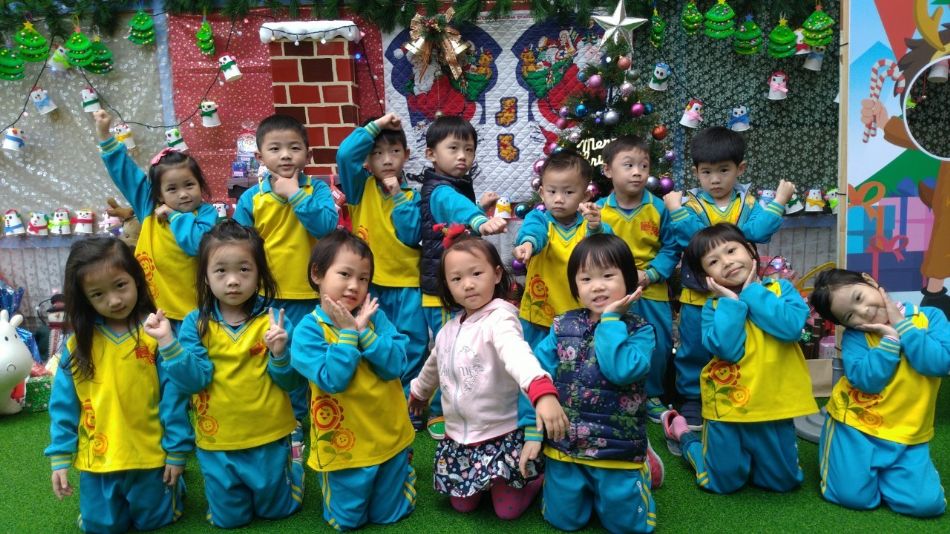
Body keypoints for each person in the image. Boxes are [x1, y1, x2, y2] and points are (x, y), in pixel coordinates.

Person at [143, 220, 304, 528]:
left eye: (244, 269)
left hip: (270, 435)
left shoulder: (274, 320)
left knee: (278, 510)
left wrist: (280, 353)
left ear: (259, 273)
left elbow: (292, 383)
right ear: (205, 276)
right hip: (217, 441)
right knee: (228, 520)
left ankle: (293, 464)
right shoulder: (195, 324)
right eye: (221, 271)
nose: (233, 281)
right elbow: (194, 381)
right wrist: (167, 342)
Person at [409, 235, 568, 519]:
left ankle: (535, 478)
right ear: (447, 285)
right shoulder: (448, 329)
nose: (468, 284)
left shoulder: (501, 319)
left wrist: (541, 390)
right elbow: (434, 364)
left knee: (507, 511)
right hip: (459, 437)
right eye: (456, 279)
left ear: (496, 274)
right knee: (462, 505)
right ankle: (485, 481)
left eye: (476, 273)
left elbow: (517, 354)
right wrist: (419, 393)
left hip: (500, 433)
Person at [46, 237, 192, 533]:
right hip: (98, 460)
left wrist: (176, 450)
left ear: (136, 279)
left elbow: (173, 398)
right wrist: (60, 457)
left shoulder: (156, 336)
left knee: (155, 522)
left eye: (120, 285)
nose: (113, 300)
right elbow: (63, 406)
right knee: (100, 527)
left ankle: (176, 489)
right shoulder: (77, 346)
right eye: (98, 294)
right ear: (84, 298)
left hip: (149, 455)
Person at [662, 223, 817, 494]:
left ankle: (755, 459)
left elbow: (791, 328)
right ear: (706, 277)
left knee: (784, 483)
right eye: (713, 261)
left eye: (731, 251)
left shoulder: (781, 289)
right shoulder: (713, 307)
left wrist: (751, 292)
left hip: (774, 407)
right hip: (728, 409)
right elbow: (727, 350)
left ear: (750, 251)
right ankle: (685, 436)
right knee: (720, 483)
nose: (726, 262)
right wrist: (732, 303)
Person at [663, 126, 795, 429]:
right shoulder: (689, 203)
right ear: (696, 172)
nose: (715, 179)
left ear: (740, 169)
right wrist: (676, 211)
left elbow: (758, 231)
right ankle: (693, 399)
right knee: (694, 349)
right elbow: (692, 239)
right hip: (698, 296)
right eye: (707, 172)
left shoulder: (747, 203)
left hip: (741, 296)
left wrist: (778, 202)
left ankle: (739, 393)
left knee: (740, 345)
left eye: (724, 170)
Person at [533, 233, 661, 533]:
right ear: (575, 287)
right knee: (563, 521)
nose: (598, 286)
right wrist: (531, 431)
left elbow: (621, 371)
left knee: (628, 527)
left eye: (608, 275)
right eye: (586, 279)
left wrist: (611, 321)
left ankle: (645, 466)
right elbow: (535, 376)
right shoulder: (561, 325)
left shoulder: (640, 330)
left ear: (629, 279)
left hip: (617, 449)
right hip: (565, 447)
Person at [291, 230, 416, 530]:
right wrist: (348, 334)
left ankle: (404, 472)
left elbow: (396, 366)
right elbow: (334, 380)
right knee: (345, 522)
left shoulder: (375, 317)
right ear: (317, 274)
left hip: (388, 434)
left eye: (363, 278)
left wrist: (364, 333)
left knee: (390, 515)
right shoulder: (308, 330)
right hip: (343, 447)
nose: (354, 286)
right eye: (345, 274)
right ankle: (294, 469)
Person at [809, 268, 948, 517]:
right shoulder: (855, 337)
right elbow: (867, 382)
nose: (863, 311)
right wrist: (889, 342)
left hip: (907, 434)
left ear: (870, 281)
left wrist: (902, 326)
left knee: (927, 506)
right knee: (852, 498)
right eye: (850, 315)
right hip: (855, 429)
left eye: (859, 297)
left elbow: (939, 363)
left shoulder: (930, 317)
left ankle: (887, 475)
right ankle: (855, 466)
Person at [233, 114, 339, 437]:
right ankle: (291, 419)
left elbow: (326, 227)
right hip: (269, 298)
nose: (285, 155)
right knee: (281, 356)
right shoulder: (252, 198)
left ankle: (325, 414)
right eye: (275, 148)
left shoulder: (316, 189)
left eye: (294, 148)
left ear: (308, 154)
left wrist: (296, 194)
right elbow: (239, 248)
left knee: (316, 354)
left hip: (314, 296)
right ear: (260, 156)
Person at [336, 112, 427, 429]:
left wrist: (398, 196)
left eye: (394, 152)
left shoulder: (413, 196)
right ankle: (379, 399)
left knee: (412, 343)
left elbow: (411, 234)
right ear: (366, 160)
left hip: (408, 284)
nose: (386, 160)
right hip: (369, 286)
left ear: (407, 155)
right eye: (377, 153)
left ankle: (407, 402)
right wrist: (376, 126)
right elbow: (344, 155)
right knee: (372, 340)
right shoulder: (359, 189)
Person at [418, 114, 507, 439]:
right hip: (444, 289)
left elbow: (453, 219)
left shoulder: (452, 185)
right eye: (453, 148)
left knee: (459, 347)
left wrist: (478, 207)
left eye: (469, 150)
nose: (462, 157)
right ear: (431, 153)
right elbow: (455, 208)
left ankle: (458, 402)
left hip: (454, 284)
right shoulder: (441, 189)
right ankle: (440, 410)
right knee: (449, 350)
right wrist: (480, 219)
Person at [92, 110, 217, 331]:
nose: (183, 194)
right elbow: (127, 175)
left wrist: (174, 216)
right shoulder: (150, 208)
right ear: (159, 194)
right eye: (172, 189)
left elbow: (195, 244)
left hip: (198, 313)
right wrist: (104, 135)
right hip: (155, 312)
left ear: (200, 184)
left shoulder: (207, 214)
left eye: (189, 185)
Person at [598, 135, 680, 422]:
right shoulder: (598, 210)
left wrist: (652, 274)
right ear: (608, 170)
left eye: (643, 166)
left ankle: (653, 394)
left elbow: (671, 246)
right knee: (613, 337)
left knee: (657, 342)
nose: (637, 172)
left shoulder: (658, 208)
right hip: (612, 290)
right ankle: (612, 391)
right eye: (628, 165)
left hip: (651, 288)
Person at [513, 150, 610, 348]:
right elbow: (534, 231)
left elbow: (605, 248)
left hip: (581, 317)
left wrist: (595, 228)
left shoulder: (591, 224)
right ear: (542, 193)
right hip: (539, 317)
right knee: (534, 360)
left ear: (585, 195)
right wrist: (528, 243)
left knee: (578, 362)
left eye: (568, 192)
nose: (559, 199)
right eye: (552, 191)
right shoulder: (539, 219)